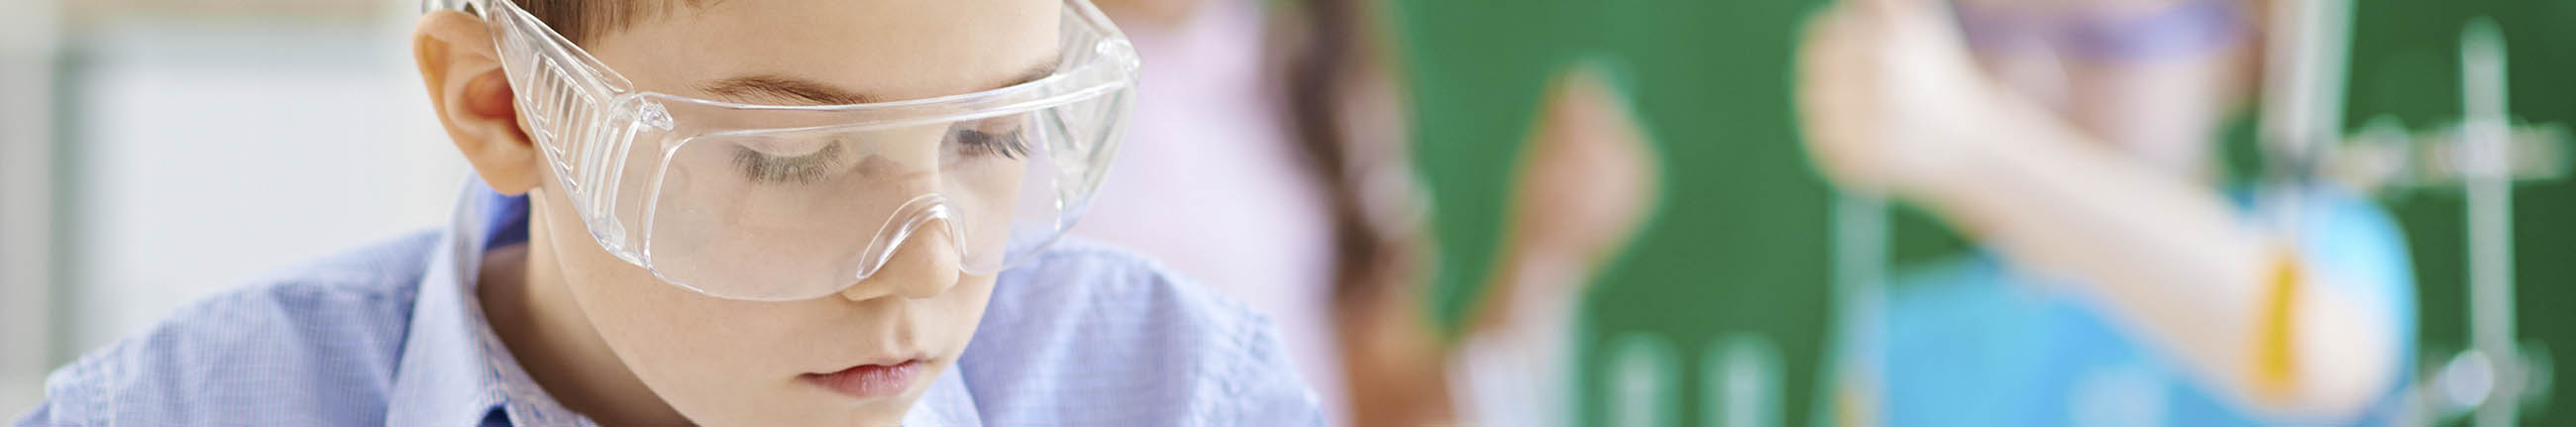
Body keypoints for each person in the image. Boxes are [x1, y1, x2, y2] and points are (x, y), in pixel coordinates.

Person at [14, 0, 1320, 425]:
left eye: (991, 134)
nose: (926, 264)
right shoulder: (175, 411)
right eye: (791, 156)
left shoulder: (1182, 394)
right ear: (506, 107)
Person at [1798, 0, 2415, 424]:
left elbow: (2307, 356)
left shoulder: (2324, 247)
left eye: (2091, 44)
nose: (2027, 84)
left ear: (2242, 43)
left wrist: (1976, 147)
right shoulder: (1907, 343)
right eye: (1989, 37)